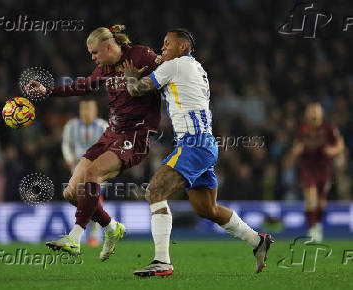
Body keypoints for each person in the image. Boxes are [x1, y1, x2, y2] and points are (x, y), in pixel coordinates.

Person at [122, 28, 273, 277]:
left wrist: (130, 77)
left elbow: (136, 90)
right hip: (204, 144)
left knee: (156, 191)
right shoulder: (195, 68)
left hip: (193, 143)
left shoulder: (177, 65)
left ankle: (162, 261)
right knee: (207, 210)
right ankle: (258, 241)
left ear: (182, 47)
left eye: (167, 43)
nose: (162, 48)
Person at [26, 24, 162, 260]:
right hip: (111, 133)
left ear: (109, 46)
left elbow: (169, 72)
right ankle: (112, 228)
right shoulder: (105, 69)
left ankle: (74, 238)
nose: (93, 58)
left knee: (93, 174)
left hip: (135, 135)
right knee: (71, 193)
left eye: (95, 53)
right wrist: (48, 91)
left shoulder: (141, 55)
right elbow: (81, 87)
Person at [291, 102, 344, 241]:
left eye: (316, 111)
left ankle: (317, 224)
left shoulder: (329, 128)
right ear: (307, 114)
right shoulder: (302, 130)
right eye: (311, 111)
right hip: (307, 167)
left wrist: (332, 151)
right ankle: (312, 228)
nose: (313, 114)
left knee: (321, 200)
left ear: (321, 114)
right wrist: (297, 150)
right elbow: (295, 147)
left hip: (324, 167)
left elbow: (340, 145)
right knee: (310, 197)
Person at [62, 99, 108, 247]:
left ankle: (90, 236)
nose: (86, 113)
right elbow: (66, 144)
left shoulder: (103, 126)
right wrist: (69, 158)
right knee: (85, 201)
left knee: (92, 198)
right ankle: (108, 227)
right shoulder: (71, 126)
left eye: (89, 109)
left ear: (95, 111)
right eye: (83, 110)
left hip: (98, 170)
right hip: (77, 169)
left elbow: (110, 147)